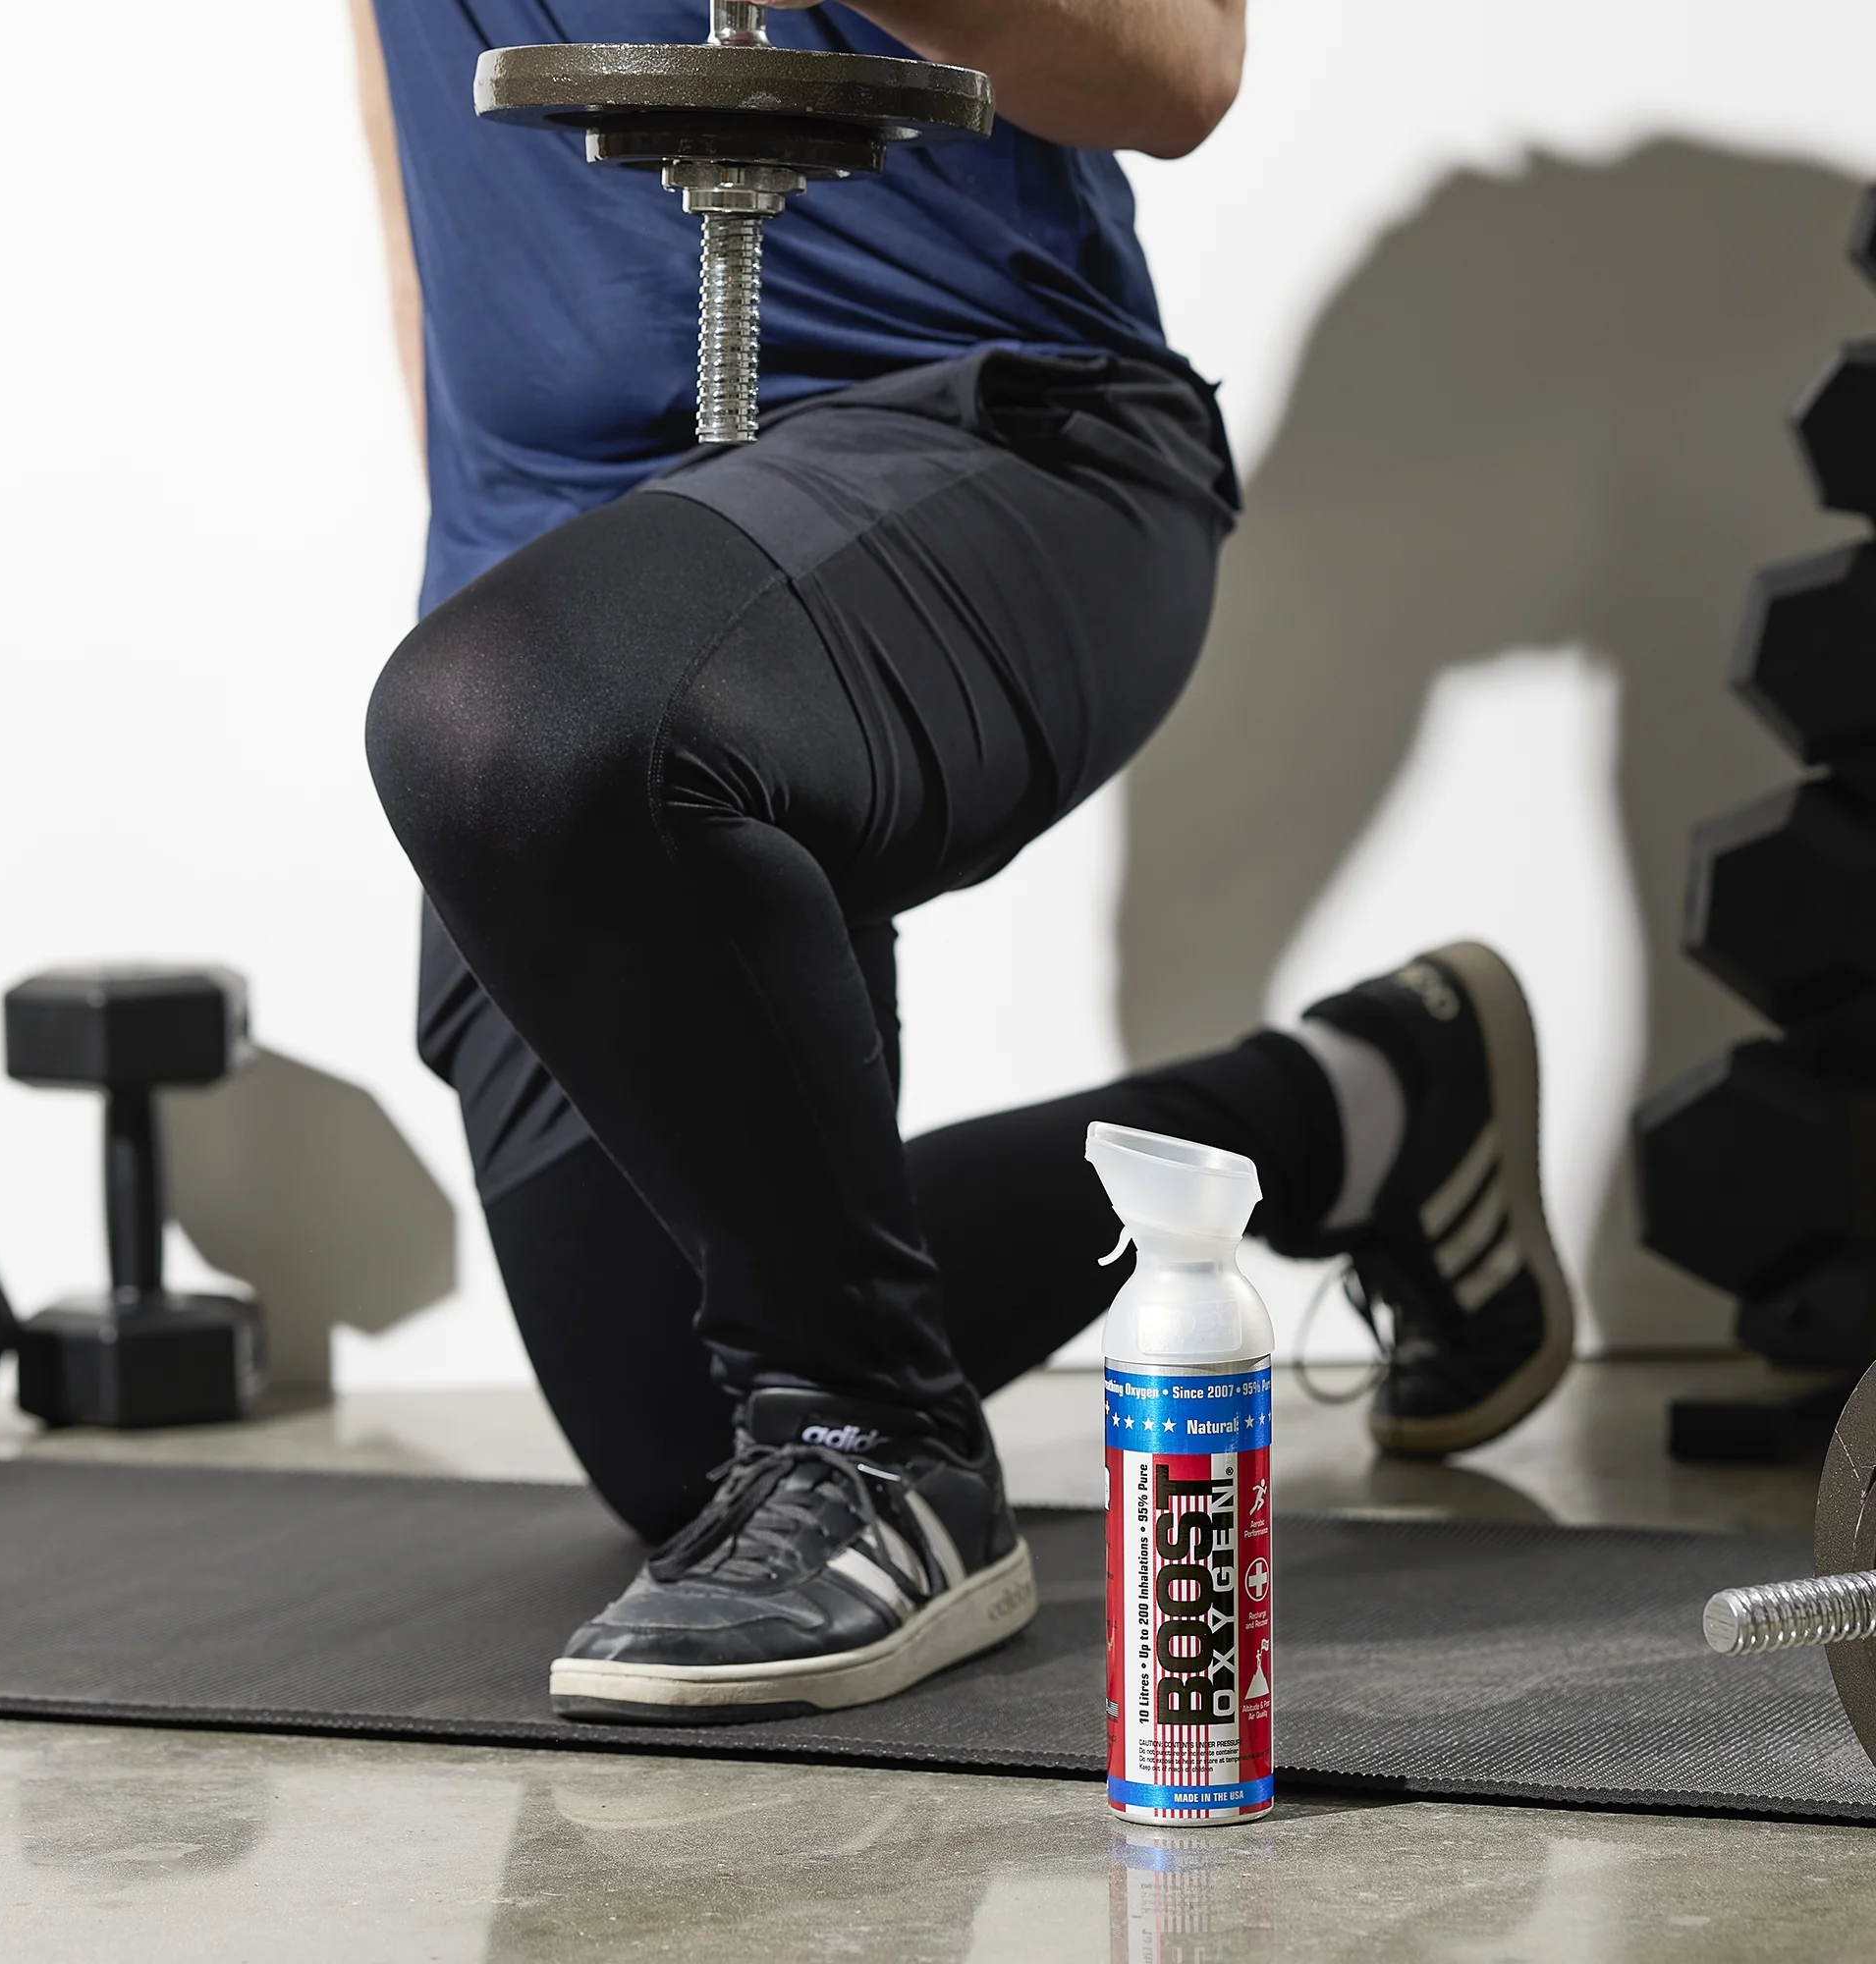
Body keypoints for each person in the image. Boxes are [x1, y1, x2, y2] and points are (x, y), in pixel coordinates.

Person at [356, 0, 1574, 1723]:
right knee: (681, 1428)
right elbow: (417, 131)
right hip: (565, 566)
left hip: (992, 442)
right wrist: (515, 587)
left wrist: (549, 713)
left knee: (518, 724)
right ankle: (1368, 1097)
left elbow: (1179, 68)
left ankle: (890, 1454)